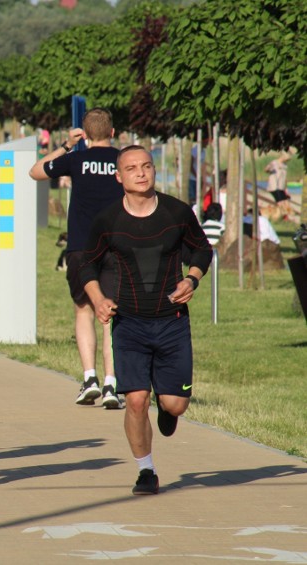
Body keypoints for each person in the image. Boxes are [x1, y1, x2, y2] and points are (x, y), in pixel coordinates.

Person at [79, 145, 212, 495]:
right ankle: (146, 471)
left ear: (154, 170)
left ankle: (168, 408)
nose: (141, 173)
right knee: (136, 399)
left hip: (172, 321)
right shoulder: (107, 220)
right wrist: (98, 300)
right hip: (130, 323)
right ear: (118, 176)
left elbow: (202, 249)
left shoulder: (177, 212)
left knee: (174, 404)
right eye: (132, 168)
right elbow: (85, 264)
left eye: (147, 166)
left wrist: (192, 278)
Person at [29, 108, 126, 409]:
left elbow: (35, 171)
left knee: (84, 310)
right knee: (110, 313)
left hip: (82, 247)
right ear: (113, 133)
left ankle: (89, 379)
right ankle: (112, 383)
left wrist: (67, 145)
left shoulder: (76, 159)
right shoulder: (122, 161)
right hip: (116, 245)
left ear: (84, 134)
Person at [265, 152, 293, 219]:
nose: (288, 160)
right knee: (281, 202)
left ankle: (285, 216)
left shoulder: (285, 165)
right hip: (274, 186)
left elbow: (285, 178)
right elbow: (266, 169)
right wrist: (268, 169)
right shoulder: (274, 163)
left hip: (281, 187)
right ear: (283, 156)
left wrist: (286, 189)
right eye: (287, 157)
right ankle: (282, 217)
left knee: (286, 201)